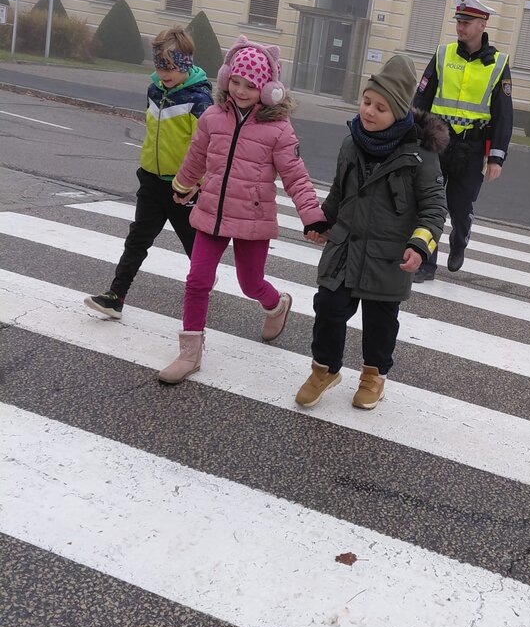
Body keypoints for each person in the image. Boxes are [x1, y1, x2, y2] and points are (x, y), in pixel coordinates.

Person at [157, 36, 325, 384]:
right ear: (225, 79)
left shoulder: (278, 129)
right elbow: (196, 156)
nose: (241, 90)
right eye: (235, 81)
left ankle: (276, 303)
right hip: (212, 213)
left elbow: (296, 176)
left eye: (250, 85)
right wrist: (183, 184)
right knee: (197, 280)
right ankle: (190, 353)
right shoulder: (212, 117)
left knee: (250, 283)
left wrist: (313, 217)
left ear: (268, 89)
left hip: (253, 219)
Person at [295, 54, 448, 411]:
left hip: (388, 256)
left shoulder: (421, 155)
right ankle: (324, 369)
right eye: (366, 102)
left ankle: (373, 376)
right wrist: (322, 221)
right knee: (328, 307)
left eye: (380, 107)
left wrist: (420, 245)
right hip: (345, 248)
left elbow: (434, 207)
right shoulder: (351, 143)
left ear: (399, 111)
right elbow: (339, 192)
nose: (369, 111)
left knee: (380, 323)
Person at [84, 26, 213, 319]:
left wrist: (197, 183)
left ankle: (206, 277)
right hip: (151, 181)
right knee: (137, 241)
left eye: (170, 67)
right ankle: (116, 297)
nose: (163, 73)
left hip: (183, 188)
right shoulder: (154, 90)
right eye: (159, 66)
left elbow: (209, 147)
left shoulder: (200, 99)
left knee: (195, 246)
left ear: (185, 64)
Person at [412, 0, 513, 282]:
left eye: (466, 23)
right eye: (458, 22)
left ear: (482, 25)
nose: (460, 27)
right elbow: (421, 99)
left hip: (472, 147)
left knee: (460, 206)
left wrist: (496, 158)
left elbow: (503, 114)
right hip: (437, 141)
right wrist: (412, 137)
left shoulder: (498, 64)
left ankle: (459, 241)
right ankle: (426, 263)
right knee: (430, 204)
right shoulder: (443, 54)